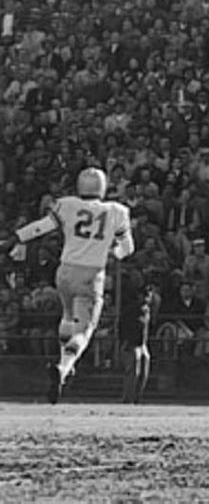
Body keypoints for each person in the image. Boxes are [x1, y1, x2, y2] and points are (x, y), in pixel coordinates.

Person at [0, 167, 134, 404]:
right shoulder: (117, 211)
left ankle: (63, 363)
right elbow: (127, 248)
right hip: (91, 274)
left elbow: (42, 226)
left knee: (68, 314)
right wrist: (112, 251)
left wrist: (16, 237)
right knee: (84, 329)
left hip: (65, 270)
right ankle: (64, 367)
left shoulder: (68, 204)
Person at [118, 263, 152, 404]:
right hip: (132, 343)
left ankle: (137, 398)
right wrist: (124, 342)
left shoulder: (146, 310)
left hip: (143, 344)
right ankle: (128, 399)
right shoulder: (132, 309)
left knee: (143, 373)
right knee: (132, 373)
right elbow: (123, 325)